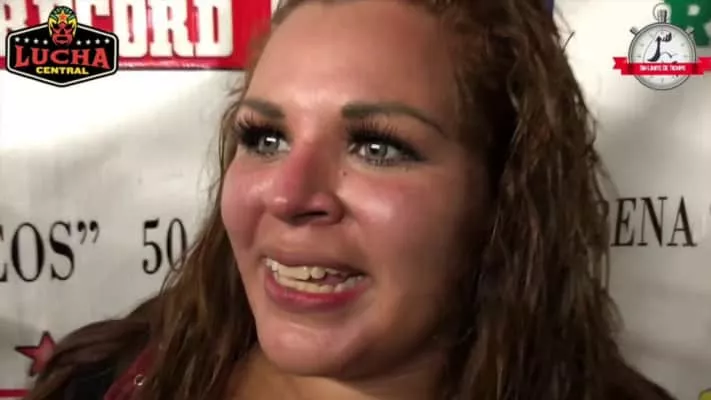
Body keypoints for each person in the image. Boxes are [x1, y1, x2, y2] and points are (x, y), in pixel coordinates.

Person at [25, 0, 678, 399]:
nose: (287, 194)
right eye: (265, 137)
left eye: (377, 147)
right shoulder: (102, 381)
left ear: (504, 195)